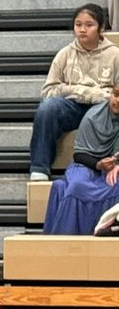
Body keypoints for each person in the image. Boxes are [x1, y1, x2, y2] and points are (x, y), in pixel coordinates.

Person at [30, 4, 119, 181]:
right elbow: (48, 91)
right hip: (72, 107)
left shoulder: (115, 55)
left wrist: (100, 97)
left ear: (101, 28)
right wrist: (77, 91)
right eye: (78, 25)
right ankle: (39, 167)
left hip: (103, 110)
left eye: (89, 25)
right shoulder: (65, 54)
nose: (82, 30)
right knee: (47, 108)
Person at [44, 82, 119, 234]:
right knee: (77, 186)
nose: (117, 100)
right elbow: (79, 155)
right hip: (87, 164)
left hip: (112, 166)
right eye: (116, 95)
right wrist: (98, 164)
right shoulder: (92, 117)